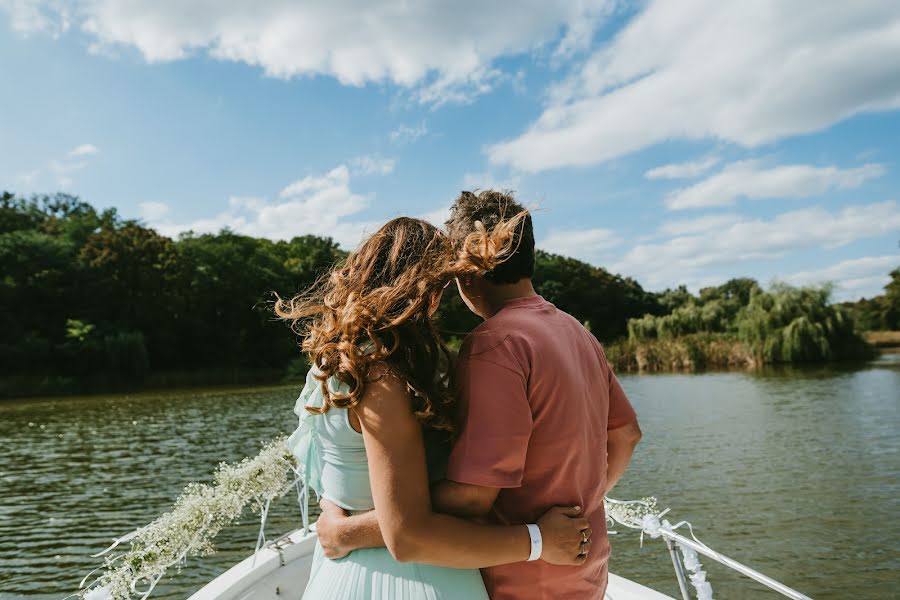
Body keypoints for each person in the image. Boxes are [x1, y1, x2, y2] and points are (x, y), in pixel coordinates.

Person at [316, 190, 642, 599]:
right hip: (585, 569)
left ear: (467, 271)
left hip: (523, 578)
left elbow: (471, 499)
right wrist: (581, 502)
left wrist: (350, 530)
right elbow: (626, 435)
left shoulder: (495, 344)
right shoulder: (578, 332)